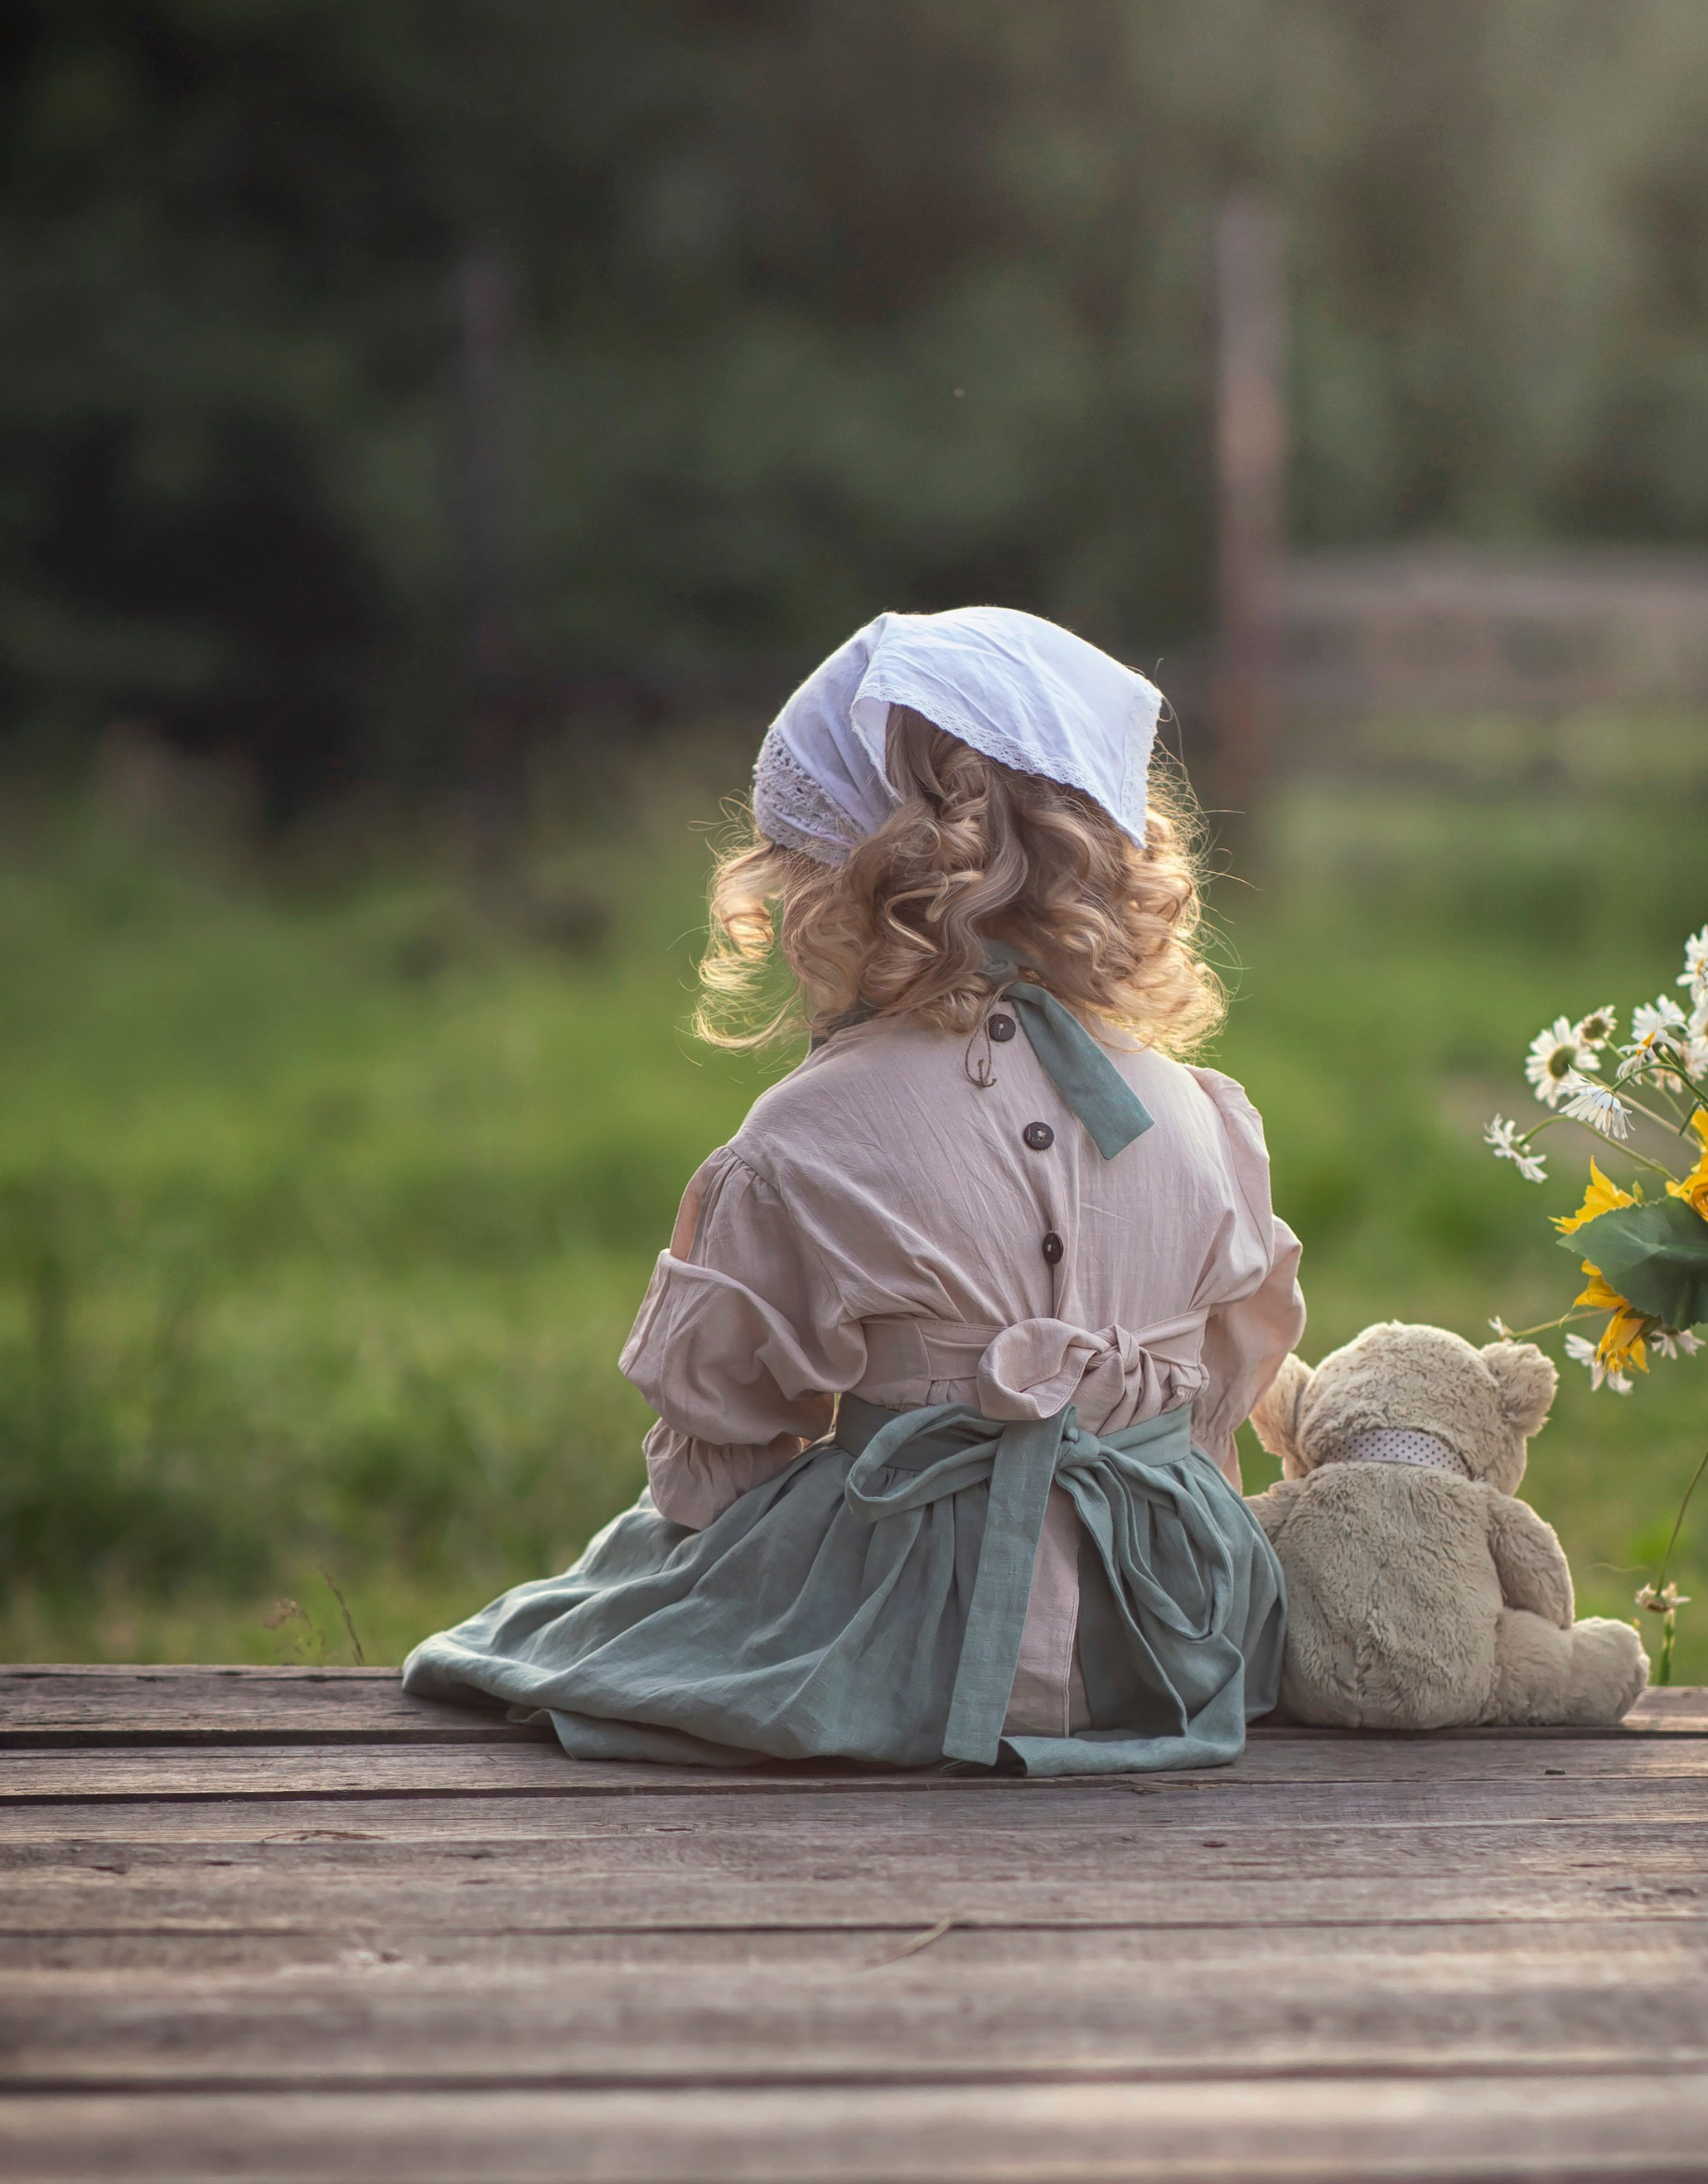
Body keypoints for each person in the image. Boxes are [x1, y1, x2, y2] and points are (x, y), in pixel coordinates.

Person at [402, 607, 1303, 1775]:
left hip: (905, 1634)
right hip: (1168, 1630)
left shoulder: (812, 1131)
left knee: (610, 1605)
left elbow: (726, 1422)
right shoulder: (1196, 1113)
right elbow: (1229, 1379)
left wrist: (711, 1559)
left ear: (833, 881)